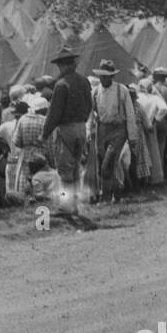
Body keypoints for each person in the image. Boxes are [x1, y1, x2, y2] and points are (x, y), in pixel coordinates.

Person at [41, 46, 93, 217]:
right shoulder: (84, 81)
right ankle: (76, 205)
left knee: (64, 171)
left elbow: (54, 113)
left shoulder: (61, 85)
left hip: (66, 129)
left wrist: (45, 133)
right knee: (76, 168)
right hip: (81, 127)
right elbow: (89, 106)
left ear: (64, 66)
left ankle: (65, 206)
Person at [87, 60, 135, 203]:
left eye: (106, 76)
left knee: (107, 163)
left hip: (118, 129)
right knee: (105, 163)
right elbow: (90, 114)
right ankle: (117, 191)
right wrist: (89, 132)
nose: (103, 79)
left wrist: (132, 136)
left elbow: (130, 114)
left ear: (112, 76)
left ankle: (105, 197)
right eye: (101, 76)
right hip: (102, 129)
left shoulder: (122, 90)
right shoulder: (95, 91)